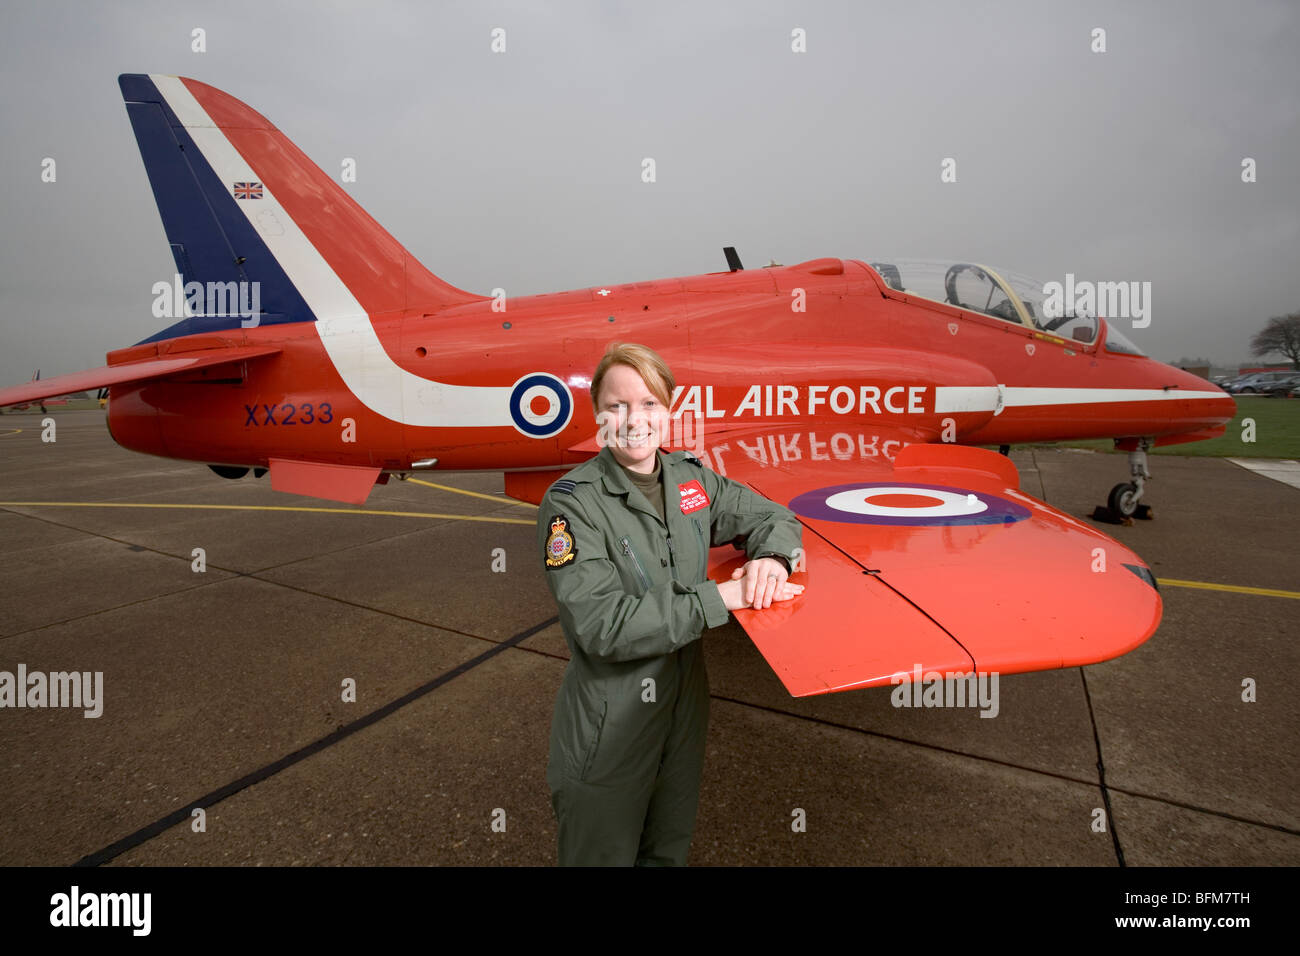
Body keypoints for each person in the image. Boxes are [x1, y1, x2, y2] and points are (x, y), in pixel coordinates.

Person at [537, 342, 804, 866]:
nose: (635, 420)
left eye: (649, 404)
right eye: (617, 406)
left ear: (669, 409)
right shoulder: (573, 503)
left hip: (683, 708)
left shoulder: (691, 479)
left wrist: (773, 558)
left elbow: (774, 516)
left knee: (667, 852)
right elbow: (602, 625)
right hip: (611, 721)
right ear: (598, 415)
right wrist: (719, 598)